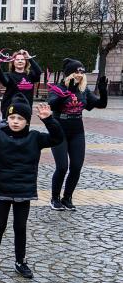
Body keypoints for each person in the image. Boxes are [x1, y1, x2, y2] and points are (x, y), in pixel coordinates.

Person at [0, 96, 63, 279]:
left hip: (24, 191)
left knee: (20, 227)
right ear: (7, 118)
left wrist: (48, 119)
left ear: (27, 121)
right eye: (12, 118)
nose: (15, 121)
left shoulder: (35, 138)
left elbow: (57, 138)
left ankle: (21, 261)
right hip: (2, 189)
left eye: (20, 118)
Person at [47, 59, 108, 211]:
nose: (80, 75)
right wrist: (68, 91)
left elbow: (100, 104)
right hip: (59, 129)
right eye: (76, 71)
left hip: (77, 131)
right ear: (68, 74)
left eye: (82, 72)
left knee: (76, 167)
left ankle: (67, 197)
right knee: (62, 167)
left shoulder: (83, 90)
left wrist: (103, 91)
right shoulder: (57, 88)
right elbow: (52, 105)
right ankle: (55, 198)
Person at [0, 50, 42, 120]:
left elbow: (39, 72)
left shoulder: (31, 75)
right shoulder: (9, 75)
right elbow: (4, 81)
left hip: (26, 108)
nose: (20, 61)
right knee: (7, 130)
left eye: (22, 59)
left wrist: (29, 57)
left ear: (26, 62)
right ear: (13, 62)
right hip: (10, 108)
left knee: (24, 129)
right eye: (17, 59)